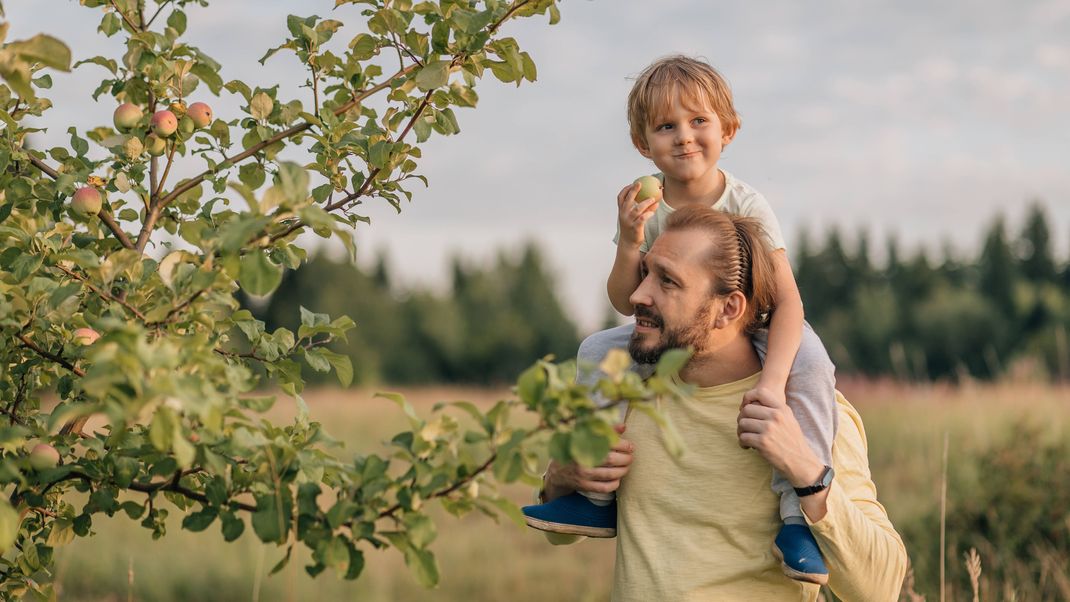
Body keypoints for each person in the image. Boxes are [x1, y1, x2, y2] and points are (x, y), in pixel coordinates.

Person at [521, 55, 838, 583]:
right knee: (598, 350)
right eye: (666, 126)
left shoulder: (745, 203)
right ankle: (595, 494)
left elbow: (788, 302)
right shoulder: (645, 207)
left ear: (728, 131)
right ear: (644, 144)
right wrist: (627, 241)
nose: (684, 137)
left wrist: (774, 383)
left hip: (750, 325)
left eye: (699, 122)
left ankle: (798, 518)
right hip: (666, 330)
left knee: (811, 361)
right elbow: (627, 299)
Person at [532, 206, 908, 600]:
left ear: (728, 308)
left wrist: (806, 471)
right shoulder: (627, 400)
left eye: (668, 281)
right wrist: (560, 478)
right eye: (646, 273)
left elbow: (880, 589)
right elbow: (563, 539)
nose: (637, 295)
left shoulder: (807, 414)